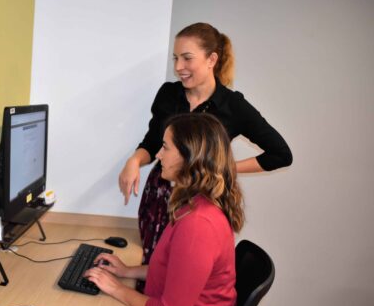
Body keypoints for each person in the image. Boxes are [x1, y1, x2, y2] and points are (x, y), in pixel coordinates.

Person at [118, 22, 292, 267]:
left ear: (212, 59)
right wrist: (134, 161)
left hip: (200, 203)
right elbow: (152, 141)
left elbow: (280, 155)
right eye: (176, 58)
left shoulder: (233, 106)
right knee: (153, 267)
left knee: (184, 272)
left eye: (187, 58)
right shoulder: (168, 94)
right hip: (159, 199)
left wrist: (221, 167)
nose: (179, 67)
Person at [87, 113, 243, 306]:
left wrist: (116, 287)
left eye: (166, 147)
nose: (158, 155)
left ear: (189, 158)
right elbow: (176, 271)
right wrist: (128, 271)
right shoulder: (193, 206)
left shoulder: (198, 225)